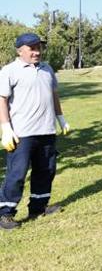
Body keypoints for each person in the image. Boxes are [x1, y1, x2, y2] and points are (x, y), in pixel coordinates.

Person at [0, 33, 71, 231]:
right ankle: (5, 214)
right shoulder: (9, 71)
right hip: (21, 134)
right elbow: (2, 100)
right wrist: (6, 128)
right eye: (32, 48)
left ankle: (38, 208)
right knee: (17, 174)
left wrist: (61, 119)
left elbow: (54, 95)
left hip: (46, 130)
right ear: (19, 50)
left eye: (39, 47)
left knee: (46, 170)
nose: (37, 52)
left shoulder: (47, 69)